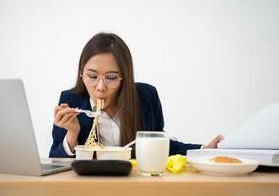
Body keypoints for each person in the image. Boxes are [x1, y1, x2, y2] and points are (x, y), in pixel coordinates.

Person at [49, 32, 223, 158]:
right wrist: (72, 134)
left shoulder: (146, 96)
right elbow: (55, 161)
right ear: (82, 74)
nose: (100, 87)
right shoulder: (70, 100)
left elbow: (160, 145)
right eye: (92, 76)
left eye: (111, 77)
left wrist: (204, 149)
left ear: (124, 78)